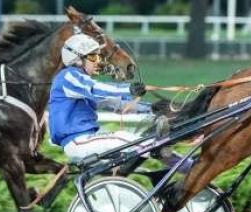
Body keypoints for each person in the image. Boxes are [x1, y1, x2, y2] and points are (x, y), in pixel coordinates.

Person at [48, 33, 168, 162]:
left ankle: (185, 166)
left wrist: (152, 108)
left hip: (88, 140)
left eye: (99, 56)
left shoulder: (82, 88)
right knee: (122, 138)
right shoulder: (68, 77)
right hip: (77, 142)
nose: (98, 61)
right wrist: (129, 89)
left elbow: (116, 103)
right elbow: (97, 89)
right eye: (93, 57)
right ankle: (160, 150)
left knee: (138, 141)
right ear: (77, 59)